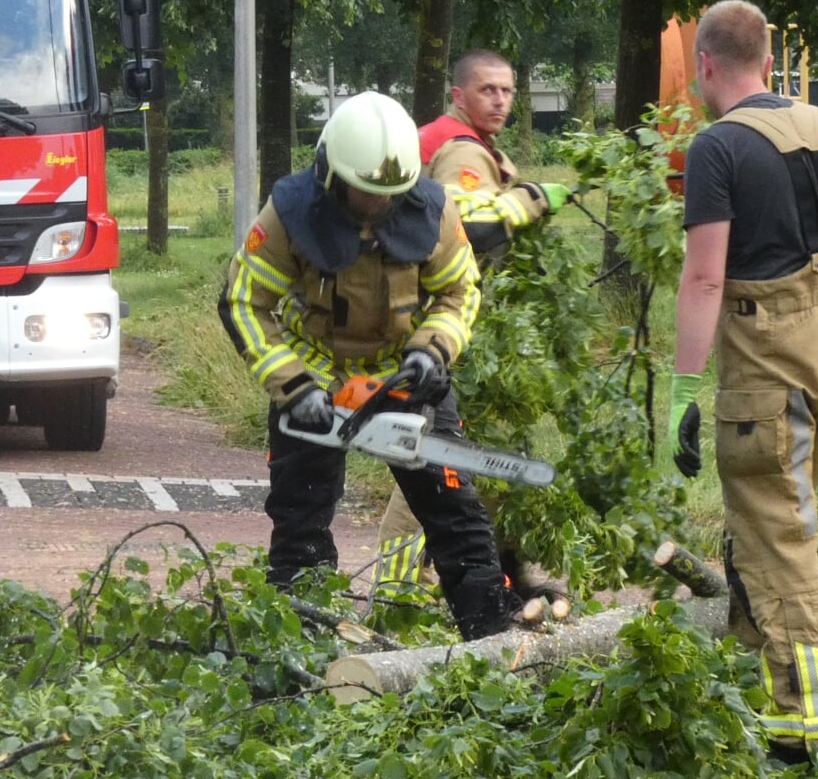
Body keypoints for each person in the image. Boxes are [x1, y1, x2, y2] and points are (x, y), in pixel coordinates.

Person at [669, 0, 818, 759]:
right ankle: (761, 697)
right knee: (764, 526)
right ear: (769, 61)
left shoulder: (717, 148)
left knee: (779, 536)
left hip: (772, 356)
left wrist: (682, 391)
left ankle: (813, 727)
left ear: (705, 64)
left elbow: (705, 281)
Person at [218, 91, 521, 640]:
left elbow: (459, 290)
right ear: (332, 174)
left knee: (458, 515)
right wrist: (291, 385)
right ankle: (299, 645)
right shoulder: (289, 212)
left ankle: (493, 643)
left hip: (401, 374)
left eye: (387, 196)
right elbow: (243, 302)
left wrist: (433, 351)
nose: (374, 205)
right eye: (364, 193)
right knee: (300, 521)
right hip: (315, 376)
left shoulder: (431, 208)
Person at [372, 51, 574, 610]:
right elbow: (473, 227)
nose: (501, 100)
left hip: (424, 323)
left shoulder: (455, 143)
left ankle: (505, 581)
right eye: (487, 90)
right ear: (459, 95)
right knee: (430, 457)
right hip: (432, 331)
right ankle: (395, 596)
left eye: (508, 91)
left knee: (476, 456)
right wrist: (531, 199)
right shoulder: (460, 149)